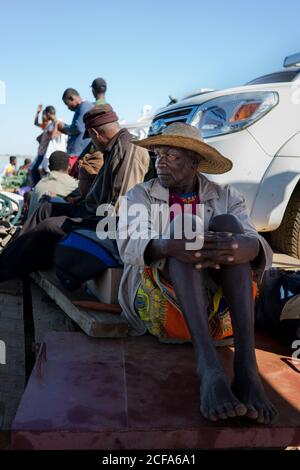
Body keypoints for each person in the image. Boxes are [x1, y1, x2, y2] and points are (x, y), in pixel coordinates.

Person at [117, 122, 278, 425]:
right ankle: (209, 366)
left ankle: (246, 365)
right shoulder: (140, 195)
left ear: (194, 162)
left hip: (217, 303)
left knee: (230, 226)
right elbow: (127, 244)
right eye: (158, 155)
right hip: (163, 301)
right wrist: (166, 244)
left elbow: (251, 238)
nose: (160, 161)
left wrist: (248, 247)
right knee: (184, 226)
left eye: (172, 156)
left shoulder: (225, 195)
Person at [0, 104, 149, 280]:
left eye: (91, 139)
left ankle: (6, 268)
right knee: (45, 208)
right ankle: (10, 260)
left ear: (94, 134)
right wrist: (76, 200)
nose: (92, 143)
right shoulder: (114, 148)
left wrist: (85, 221)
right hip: (91, 211)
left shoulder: (128, 149)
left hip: (105, 222)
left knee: (48, 227)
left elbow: (120, 205)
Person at [28, 151, 78, 217]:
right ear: (69, 166)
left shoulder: (39, 184)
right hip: (48, 226)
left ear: (49, 167)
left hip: (31, 225)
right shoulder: (73, 184)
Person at [57, 88, 92, 162]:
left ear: (71, 98)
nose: (68, 107)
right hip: (78, 154)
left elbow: (78, 128)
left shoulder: (84, 106)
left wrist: (64, 128)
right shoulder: (83, 107)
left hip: (79, 154)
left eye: (67, 104)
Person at [31, 106, 57, 185]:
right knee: (36, 170)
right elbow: (35, 123)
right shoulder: (46, 125)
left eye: (44, 114)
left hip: (44, 153)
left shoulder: (51, 124)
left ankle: (38, 186)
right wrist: (37, 113)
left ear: (48, 114)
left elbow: (52, 136)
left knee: (37, 169)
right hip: (41, 151)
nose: (43, 116)